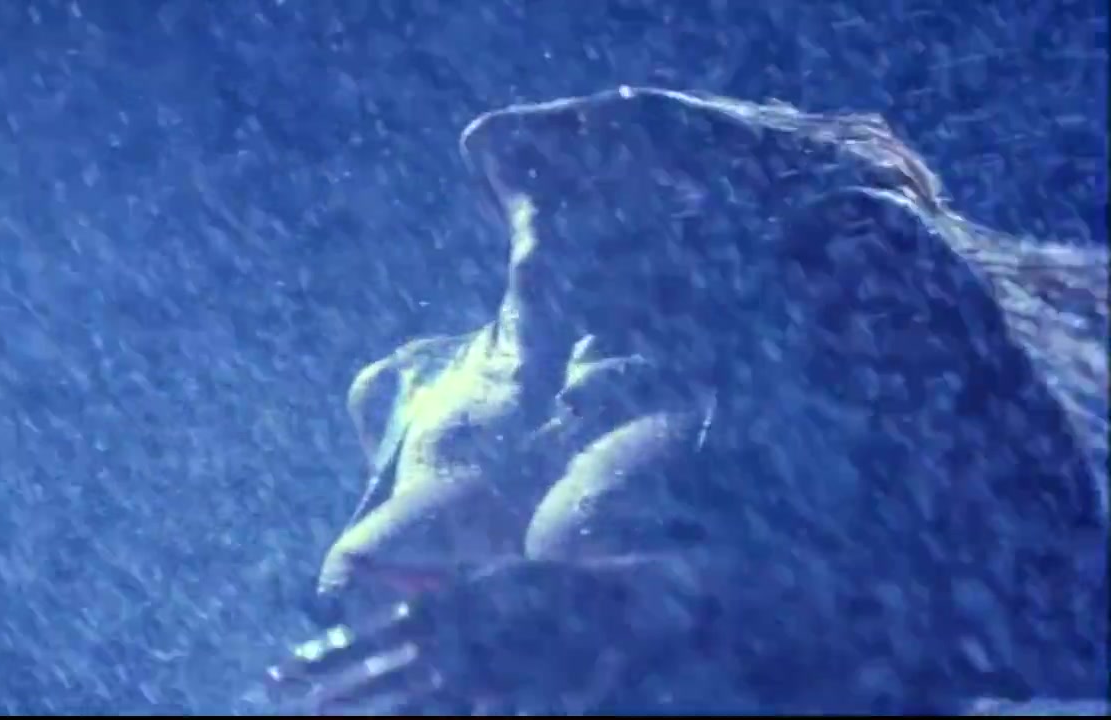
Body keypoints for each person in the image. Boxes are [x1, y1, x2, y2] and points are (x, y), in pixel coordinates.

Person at [265, 87, 1109, 715]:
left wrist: (656, 609)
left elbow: (1056, 620)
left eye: (643, 111)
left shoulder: (832, 310)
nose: (541, 123)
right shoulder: (408, 386)